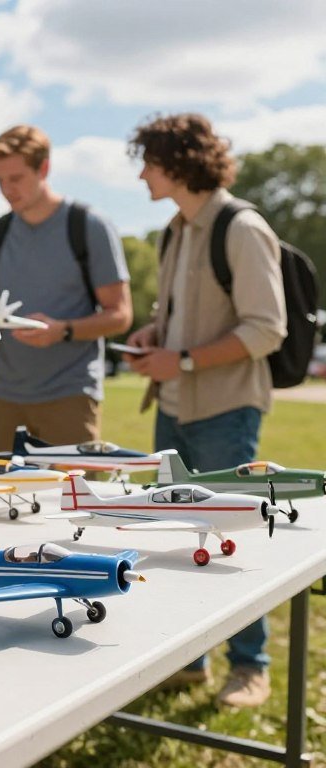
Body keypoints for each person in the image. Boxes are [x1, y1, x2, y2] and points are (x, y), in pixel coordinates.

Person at [126, 112, 286, 707]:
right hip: (171, 410)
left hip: (226, 412)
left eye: (148, 162)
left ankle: (251, 667)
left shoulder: (241, 228)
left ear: (178, 163)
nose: (141, 174)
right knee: (176, 532)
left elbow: (267, 330)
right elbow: (181, 321)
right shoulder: (176, 229)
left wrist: (185, 359)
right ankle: (188, 660)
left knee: (235, 535)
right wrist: (153, 336)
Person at [0, 124, 132, 452]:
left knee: (73, 501)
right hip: (5, 397)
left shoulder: (89, 227)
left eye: (15, 179)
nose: (6, 190)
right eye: (0, 180)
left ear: (44, 168)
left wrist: (64, 330)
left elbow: (121, 316)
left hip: (70, 395)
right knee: (5, 502)